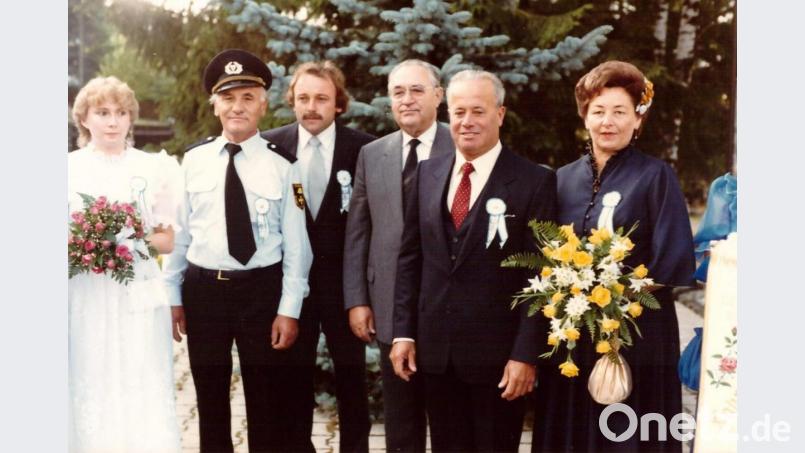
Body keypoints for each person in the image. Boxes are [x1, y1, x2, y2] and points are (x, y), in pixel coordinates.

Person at [531, 60, 696, 452]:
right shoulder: (561, 179)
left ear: (638, 120)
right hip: (574, 334)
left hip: (637, 334)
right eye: (598, 111)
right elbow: (546, 255)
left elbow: (673, 257)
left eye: (620, 112)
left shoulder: (656, 176)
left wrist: (615, 297)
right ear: (584, 117)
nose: (608, 121)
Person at [390, 70, 557, 452]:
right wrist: (404, 332)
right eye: (459, 111)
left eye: (478, 111)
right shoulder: (428, 174)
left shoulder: (534, 181)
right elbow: (410, 259)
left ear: (500, 114)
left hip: (499, 363)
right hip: (436, 356)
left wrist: (524, 354)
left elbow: (541, 278)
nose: (467, 122)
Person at [162, 49, 312, 452]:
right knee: (209, 398)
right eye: (228, 98)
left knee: (265, 401)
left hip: (260, 293)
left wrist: (289, 309)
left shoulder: (284, 165)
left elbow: (298, 246)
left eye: (248, 98)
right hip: (204, 291)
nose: (237, 107)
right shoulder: (193, 161)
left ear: (263, 104)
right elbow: (179, 235)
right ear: (215, 105)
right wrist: (173, 296)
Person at [261, 61, 374, 452]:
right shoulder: (271, 146)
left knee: (351, 379)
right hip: (293, 289)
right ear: (292, 101)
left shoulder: (363, 149)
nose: (312, 107)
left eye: (322, 98)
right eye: (304, 97)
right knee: (292, 381)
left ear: (338, 104)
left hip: (345, 288)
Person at [342, 59, 454, 452]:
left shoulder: (462, 145)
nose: (407, 100)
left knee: (448, 423)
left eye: (417, 90)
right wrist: (357, 300)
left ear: (439, 96)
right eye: (398, 92)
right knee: (401, 426)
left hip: (447, 311)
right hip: (390, 305)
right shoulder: (373, 155)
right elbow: (358, 233)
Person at [68, 76, 182, 452]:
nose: (113, 122)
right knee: (91, 373)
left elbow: (166, 238)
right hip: (87, 292)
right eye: (102, 113)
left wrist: (128, 241)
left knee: (138, 375)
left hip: (137, 290)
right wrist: (87, 242)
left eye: (121, 113)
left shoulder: (154, 168)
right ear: (84, 119)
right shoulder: (68, 169)